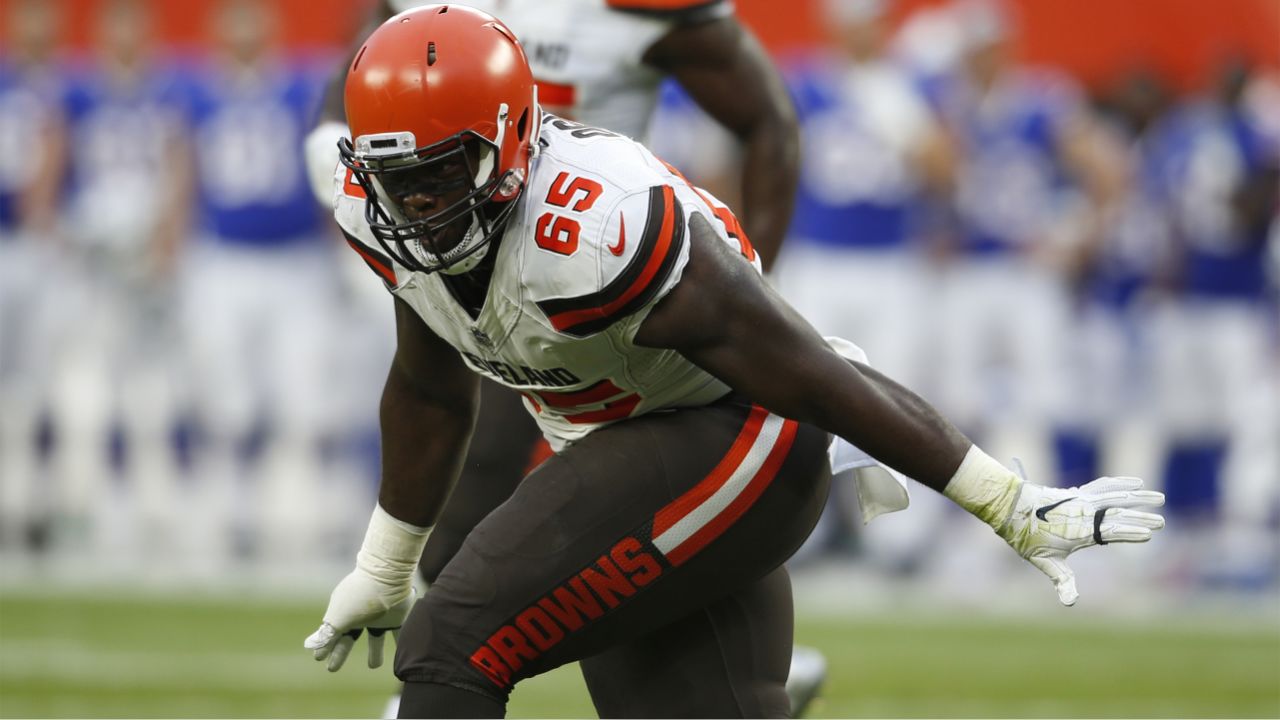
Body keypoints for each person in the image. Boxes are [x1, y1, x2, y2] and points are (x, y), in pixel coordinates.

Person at [304, 7, 1166, 718]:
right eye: (394, 178)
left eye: (441, 175)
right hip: (626, 446)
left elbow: (810, 369)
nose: (416, 206)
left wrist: (1008, 502)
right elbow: (428, 386)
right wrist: (382, 566)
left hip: (739, 437)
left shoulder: (601, 227)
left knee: (451, 643)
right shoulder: (381, 214)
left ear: (510, 144)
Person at [303, 0, 819, 712]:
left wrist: (748, 297)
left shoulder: (633, 26)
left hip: (602, 284)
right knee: (475, 498)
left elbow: (766, 121)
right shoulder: (425, 44)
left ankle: (443, 670)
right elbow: (368, 67)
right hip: (489, 280)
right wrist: (331, 143)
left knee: (556, 539)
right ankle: (442, 671)